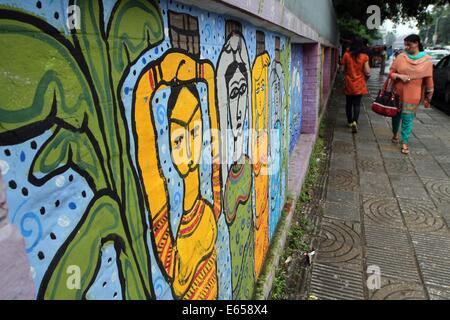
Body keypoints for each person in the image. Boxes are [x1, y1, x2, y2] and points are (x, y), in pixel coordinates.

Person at [389, 34, 434, 155]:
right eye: (405, 45)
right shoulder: (400, 57)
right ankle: (394, 134)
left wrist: (429, 95)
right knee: (396, 117)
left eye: (409, 44)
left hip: (413, 95)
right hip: (398, 93)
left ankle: (405, 142)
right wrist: (399, 76)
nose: (406, 47)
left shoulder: (427, 60)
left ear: (417, 43)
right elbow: (391, 73)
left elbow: (429, 79)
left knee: (408, 119)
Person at [340, 38, 371, 133]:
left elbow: (342, 69)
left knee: (348, 103)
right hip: (359, 84)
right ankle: (355, 121)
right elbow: (367, 71)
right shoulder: (364, 57)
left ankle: (349, 122)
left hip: (349, 83)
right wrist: (367, 76)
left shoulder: (346, 55)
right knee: (357, 104)